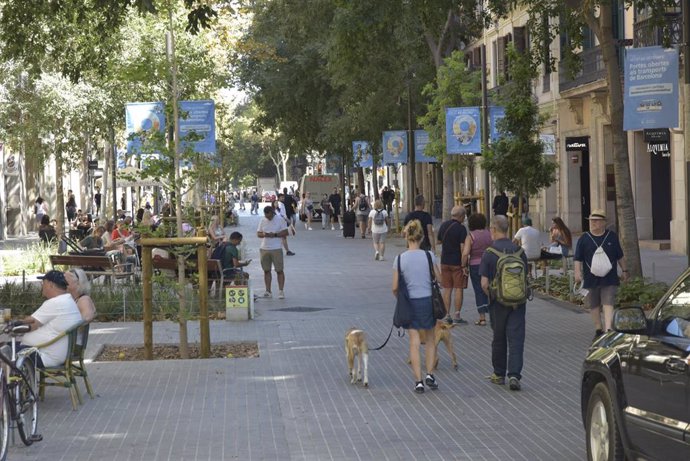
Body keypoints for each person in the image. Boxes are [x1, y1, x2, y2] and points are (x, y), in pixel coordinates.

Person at [392, 219, 441, 394]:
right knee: (430, 339)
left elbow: (395, 287)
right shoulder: (429, 256)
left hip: (410, 303)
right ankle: (430, 374)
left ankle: (418, 381)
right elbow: (440, 279)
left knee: (413, 342)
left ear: (407, 237)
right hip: (427, 301)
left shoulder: (399, 259)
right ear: (421, 238)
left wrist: (401, 299)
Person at [480, 215, 528, 391]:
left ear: (493, 229)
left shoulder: (489, 253)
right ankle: (514, 375)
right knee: (516, 339)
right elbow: (525, 278)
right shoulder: (519, 252)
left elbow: (484, 283)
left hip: (497, 304)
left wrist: (494, 295)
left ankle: (499, 374)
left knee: (499, 338)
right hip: (518, 302)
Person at [574, 209, 627, 338]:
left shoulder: (612, 237)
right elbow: (578, 258)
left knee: (608, 301)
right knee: (594, 303)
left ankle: (608, 329)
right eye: (592, 221)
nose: (593, 223)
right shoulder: (584, 238)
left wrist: (625, 270)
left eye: (596, 221)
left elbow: (620, 256)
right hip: (590, 277)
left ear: (604, 222)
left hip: (610, 277)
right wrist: (577, 272)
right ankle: (598, 329)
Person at [21, 270, 82, 368]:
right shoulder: (68, 300)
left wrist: (14, 324)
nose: (42, 286)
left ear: (50, 284)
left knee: (5, 351)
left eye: (43, 283)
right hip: (58, 354)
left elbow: (32, 323)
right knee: (9, 347)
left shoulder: (55, 303)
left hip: (45, 356)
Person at [437, 206, 468, 324]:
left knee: (447, 288)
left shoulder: (444, 225)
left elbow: (439, 241)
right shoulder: (461, 229)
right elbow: (462, 248)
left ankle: (447, 315)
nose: (464, 218)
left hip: (444, 261)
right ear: (461, 216)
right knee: (458, 288)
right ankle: (457, 315)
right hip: (456, 262)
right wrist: (464, 265)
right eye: (464, 216)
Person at [462, 213, 492, 326]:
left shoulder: (470, 236)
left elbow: (465, 254)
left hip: (475, 265)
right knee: (489, 288)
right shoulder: (489, 234)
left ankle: (482, 317)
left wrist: (463, 266)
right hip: (489, 264)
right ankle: (493, 313)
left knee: (479, 290)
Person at [257, 206, 289, 299]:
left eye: (269, 216)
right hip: (264, 248)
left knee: (279, 270)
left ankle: (281, 291)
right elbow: (258, 233)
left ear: (273, 212)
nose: (268, 218)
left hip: (276, 248)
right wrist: (264, 234)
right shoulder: (262, 220)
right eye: (266, 216)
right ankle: (268, 291)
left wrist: (274, 235)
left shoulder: (280, 219)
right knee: (266, 270)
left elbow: (286, 232)